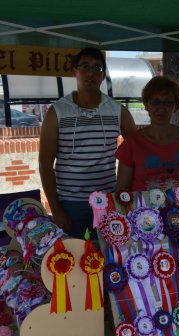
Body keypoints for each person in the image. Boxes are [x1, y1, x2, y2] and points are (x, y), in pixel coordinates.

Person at [39, 47, 136, 238]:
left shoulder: (118, 111)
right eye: (84, 67)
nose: (91, 73)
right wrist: (56, 210)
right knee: (73, 260)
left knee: (108, 258)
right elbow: (45, 164)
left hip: (108, 201)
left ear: (103, 75)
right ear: (74, 71)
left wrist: (122, 195)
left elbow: (136, 153)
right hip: (69, 203)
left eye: (97, 68)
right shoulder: (57, 112)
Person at [116, 76, 179, 192]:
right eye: (155, 102)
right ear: (146, 105)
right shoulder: (131, 144)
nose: (161, 108)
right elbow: (122, 190)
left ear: (176, 106)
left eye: (168, 102)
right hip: (143, 209)